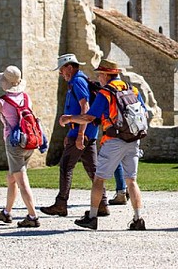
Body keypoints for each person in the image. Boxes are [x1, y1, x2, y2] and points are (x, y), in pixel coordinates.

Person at [60, 59, 146, 231]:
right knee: (132, 181)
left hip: (113, 139)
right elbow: (143, 111)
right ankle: (138, 218)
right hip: (133, 139)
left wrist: (68, 118)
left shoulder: (106, 93)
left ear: (107, 75)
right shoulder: (132, 89)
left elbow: (89, 117)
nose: (99, 78)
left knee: (99, 179)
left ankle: (92, 217)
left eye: (100, 74)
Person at [41, 54, 110, 217]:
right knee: (93, 169)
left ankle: (61, 204)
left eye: (62, 69)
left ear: (70, 68)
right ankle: (102, 203)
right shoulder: (78, 80)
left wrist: (79, 134)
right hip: (87, 131)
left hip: (83, 131)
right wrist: (73, 133)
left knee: (66, 166)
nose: (60, 73)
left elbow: (84, 108)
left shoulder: (78, 81)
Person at [0, 65, 40, 228]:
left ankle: (32, 216)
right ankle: (6, 212)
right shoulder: (26, 98)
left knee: (21, 180)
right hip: (30, 141)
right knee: (12, 177)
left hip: (14, 143)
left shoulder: (2, 101)